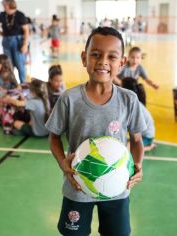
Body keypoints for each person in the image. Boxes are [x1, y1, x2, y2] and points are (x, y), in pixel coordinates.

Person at [45, 27, 146, 236]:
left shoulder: (129, 99)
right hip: (78, 186)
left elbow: (136, 140)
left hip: (117, 187)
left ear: (122, 63)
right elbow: (53, 137)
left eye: (112, 56)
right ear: (84, 58)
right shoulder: (69, 98)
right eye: (96, 54)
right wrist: (63, 163)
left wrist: (138, 165)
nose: (103, 61)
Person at [0, 0, 29, 83]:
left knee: (20, 64)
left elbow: (26, 31)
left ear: (8, 4)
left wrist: (25, 44)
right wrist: (0, 32)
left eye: (4, 4)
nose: (3, 6)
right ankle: (11, 84)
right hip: (6, 41)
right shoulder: (2, 15)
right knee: (8, 64)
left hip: (18, 42)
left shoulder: (20, 15)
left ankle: (23, 84)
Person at [122, 77, 156, 151]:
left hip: (146, 137)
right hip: (142, 135)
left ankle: (148, 147)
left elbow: (136, 133)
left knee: (125, 149)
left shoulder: (134, 105)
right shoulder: (132, 101)